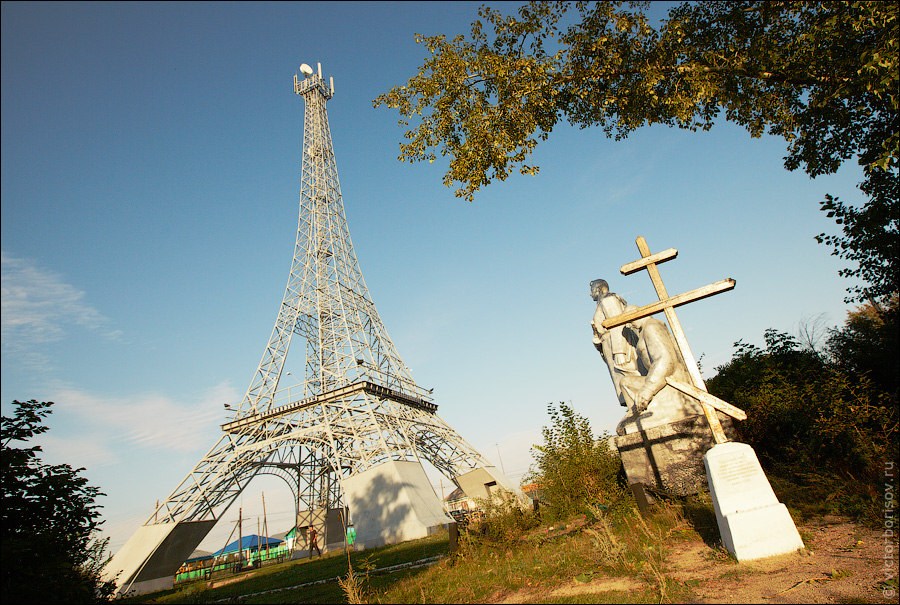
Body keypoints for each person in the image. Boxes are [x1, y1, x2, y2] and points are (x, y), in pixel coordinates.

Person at [616, 306, 703, 432]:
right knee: (626, 383)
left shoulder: (652, 326)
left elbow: (665, 359)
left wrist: (648, 389)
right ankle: (640, 413)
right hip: (660, 380)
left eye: (629, 321)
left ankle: (664, 410)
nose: (629, 325)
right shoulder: (644, 330)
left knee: (627, 384)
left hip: (671, 382)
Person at [589, 279, 640, 407]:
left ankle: (639, 406)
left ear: (598, 289)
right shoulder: (602, 302)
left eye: (591, 290)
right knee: (623, 383)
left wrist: (619, 352)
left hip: (617, 343)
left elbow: (617, 324)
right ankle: (633, 407)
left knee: (628, 377)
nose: (590, 294)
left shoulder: (608, 300)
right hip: (609, 343)